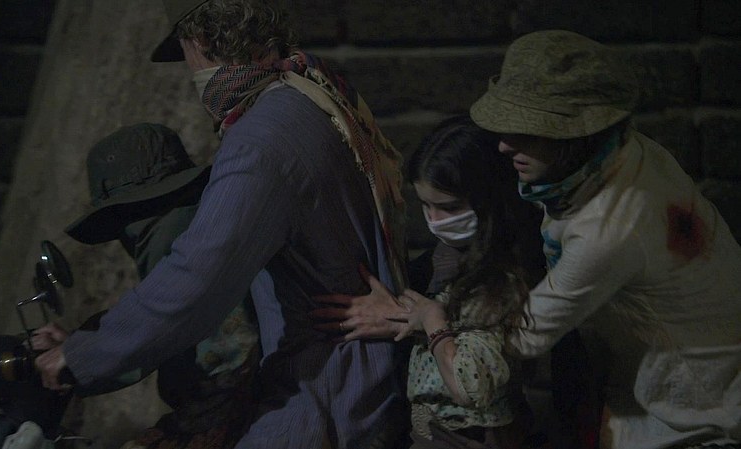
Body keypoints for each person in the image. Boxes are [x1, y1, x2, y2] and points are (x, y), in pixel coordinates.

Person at [35, 1, 411, 448]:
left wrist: (82, 355)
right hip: (355, 379)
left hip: (322, 398)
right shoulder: (310, 91)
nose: (190, 71)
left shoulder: (259, 141)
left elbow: (198, 276)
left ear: (202, 41)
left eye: (185, 53)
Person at [467, 30, 741, 449]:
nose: (504, 146)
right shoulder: (626, 151)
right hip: (662, 375)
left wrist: (433, 320)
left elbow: (525, 335)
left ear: (576, 136)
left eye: (528, 132)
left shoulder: (610, 228)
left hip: (699, 414)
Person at [312, 115, 546, 448]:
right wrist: (403, 316)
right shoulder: (442, 260)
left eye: (450, 207)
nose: (435, 221)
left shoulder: (506, 276)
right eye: (426, 205)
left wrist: (431, 320)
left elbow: (470, 384)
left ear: (489, 197)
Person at [32, 122, 261, 448]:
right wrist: (80, 346)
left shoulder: (178, 234)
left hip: (241, 409)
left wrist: (81, 352)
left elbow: (170, 313)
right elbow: (163, 318)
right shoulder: (205, 221)